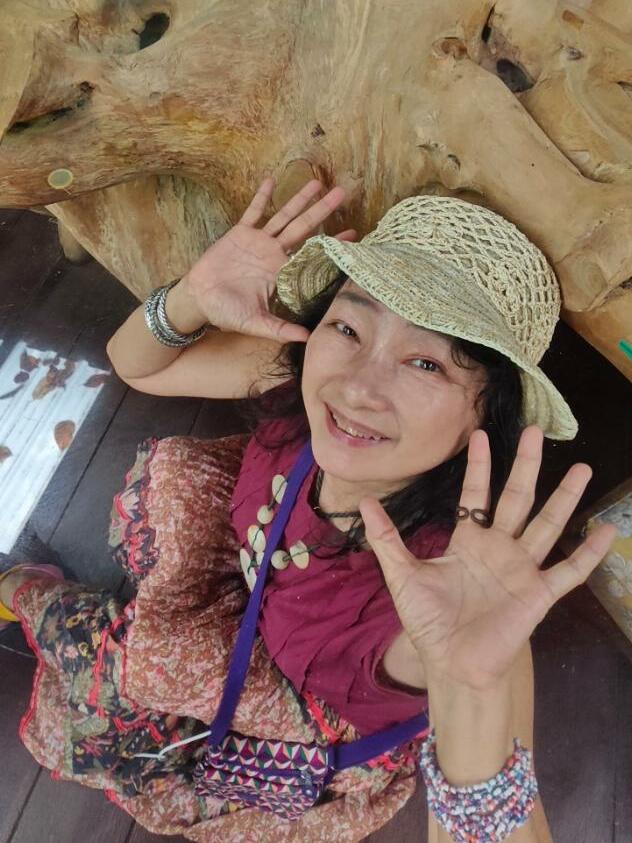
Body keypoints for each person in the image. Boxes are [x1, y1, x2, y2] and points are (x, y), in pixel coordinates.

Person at [0, 178, 616, 842]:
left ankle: (21, 587)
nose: (356, 386)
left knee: (102, 653)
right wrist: (190, 298)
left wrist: (471, 693)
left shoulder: (456, 593)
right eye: (348, 325)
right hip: (248, 597)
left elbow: (476, 699)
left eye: (427, 364)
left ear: (485, 417)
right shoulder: (302, 385)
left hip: (308, 713)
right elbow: (137, 365)